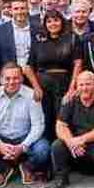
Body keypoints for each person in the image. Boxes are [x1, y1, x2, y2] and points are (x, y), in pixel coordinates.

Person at [0, 62, 50, 188]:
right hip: (1, 138)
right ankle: (2, 170)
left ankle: (27, 167)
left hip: (24, 137)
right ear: (1, 79)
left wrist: (22, 147)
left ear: (22, 79)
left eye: (16, 78)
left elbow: (38, 126)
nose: (11, 82)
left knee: (43, 150)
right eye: (7, 78)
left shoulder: (31, 95)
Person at [48, 71, 94, 188]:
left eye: (88, 84)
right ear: (77, 86)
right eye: (81, 85)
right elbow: (60, 126)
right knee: (57, 145)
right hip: (75, 143)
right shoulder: (70, 100)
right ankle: (61, 178)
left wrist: (82, 139)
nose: (84, 88)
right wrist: (71, 142)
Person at [31, 10, 83, 140]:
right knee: (45, 119)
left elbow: (78, 64)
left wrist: (72, 88)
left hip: (64, 86)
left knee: (63, 119)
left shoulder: (72, 38)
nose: (52, 24)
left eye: (56, 20)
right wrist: (36, 87)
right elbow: (28, 66)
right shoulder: (39, 41)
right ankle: (46, 155)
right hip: (43, 87)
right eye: (49, 21)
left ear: (62, 21)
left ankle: (62, 150)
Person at [0, 0, 40, 94]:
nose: (20, 11)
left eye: (23, 8)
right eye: (16, 9)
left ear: (28, 9)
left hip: (34, 80)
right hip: (8, 81)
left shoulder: (39, 29)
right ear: (10, 11)